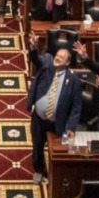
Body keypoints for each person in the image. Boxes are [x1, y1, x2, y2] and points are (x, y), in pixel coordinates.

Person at [26, 39, 82, 183]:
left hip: (58, 122)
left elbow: (76, 106)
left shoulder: (74, 81)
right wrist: (33, 47)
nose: (57, 58)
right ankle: (39, 170)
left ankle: (57, 174)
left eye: (61, 57)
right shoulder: (47, 66)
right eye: (57, 55)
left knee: (58, 149)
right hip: (39, 118)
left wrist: (70, 126)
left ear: (68, 62)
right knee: (37, 145)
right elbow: (35, 58)